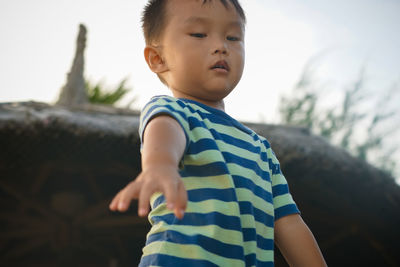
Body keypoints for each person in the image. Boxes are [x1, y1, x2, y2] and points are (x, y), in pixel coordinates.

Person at [109, 0, 327, 266]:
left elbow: (289, 224)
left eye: (233, 37)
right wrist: (160, 165)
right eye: (199, 34)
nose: (221, 46)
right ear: (158, 58)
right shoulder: (172, 110)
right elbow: (165, 131)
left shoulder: (260, 148)